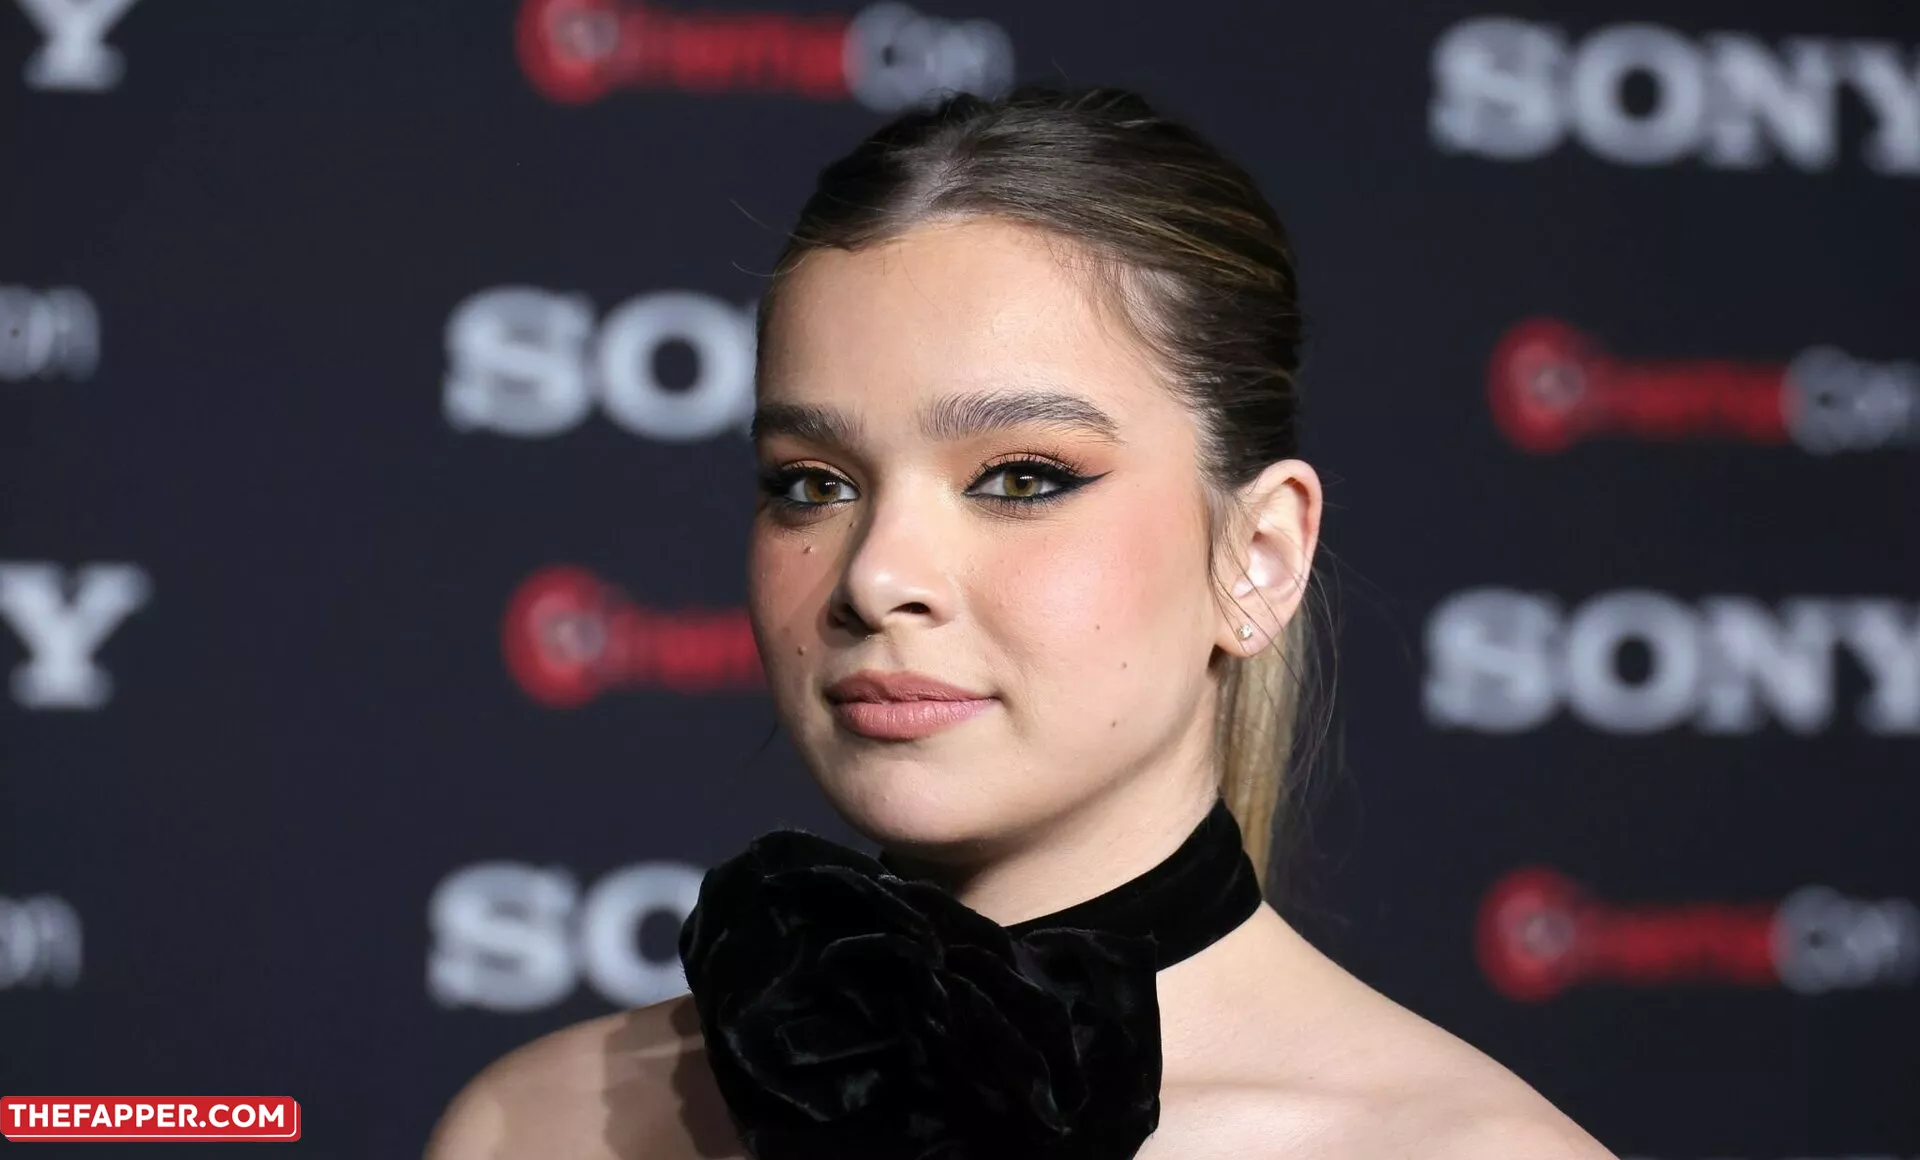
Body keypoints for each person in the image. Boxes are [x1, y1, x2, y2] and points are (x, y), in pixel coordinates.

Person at [425, 85, 1615, 1160]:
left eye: (1022, 476)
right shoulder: (538, 1129)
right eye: (813, 481)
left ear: (1258, 556)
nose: (877, 575)